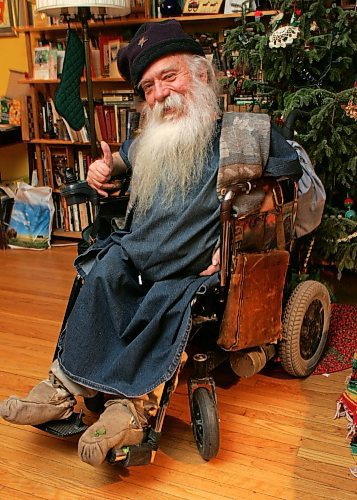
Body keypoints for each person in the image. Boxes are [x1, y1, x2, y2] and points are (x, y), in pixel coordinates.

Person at [0, 20, 302, 467]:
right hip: (139, 249)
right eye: (148, 86)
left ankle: (131, 408)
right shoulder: (152, 137)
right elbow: (121, 160)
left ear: (201, 75)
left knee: (165, 299)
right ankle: (64, 389)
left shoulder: (242, 133)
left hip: (190, 264)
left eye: (169, 76)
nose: (159, 93)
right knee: (101, 274)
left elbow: (291, 172)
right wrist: (103, 170)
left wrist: (242, 238)